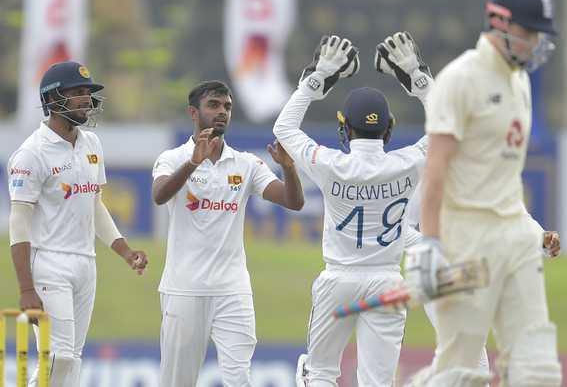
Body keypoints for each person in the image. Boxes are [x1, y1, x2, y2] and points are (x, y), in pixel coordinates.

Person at [404, 0, 562, 386]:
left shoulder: (521, 81)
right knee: (460, 370)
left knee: (537, 370)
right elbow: (436, 169)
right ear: (501, 22)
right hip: (467, 244)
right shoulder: (460, 80)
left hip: (514, 240)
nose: (537, 43)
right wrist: (429, 246)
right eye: (530, 32)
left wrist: (533, 232)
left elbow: (503, 179)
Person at [274, 34, 432, 386]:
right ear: (388, 129)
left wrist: (317, 78)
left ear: (345, 128)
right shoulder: (407, 164)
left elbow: (283, 128)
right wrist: (416, 75)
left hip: (338, 280)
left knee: (320, 373)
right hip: (388, 282)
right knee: (377, 381)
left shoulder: (330, 165)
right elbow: (450, 127)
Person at [151, 80, 304, 387]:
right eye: (214, 105)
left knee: (239, 379)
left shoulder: (246, 163)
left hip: (232, 289)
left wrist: (289, 168)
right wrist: (192, 163)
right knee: (177, 381)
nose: (222, 112)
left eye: (227, 107)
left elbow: (293, 201)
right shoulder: (172, 157)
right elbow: (159, 195)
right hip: (184, 288)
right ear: (193, 113)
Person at [7, 61, 148, 387]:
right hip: (48, 264)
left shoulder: (91, 145)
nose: (86, 99)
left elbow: (94, 205)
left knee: (73, 362)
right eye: (77, 93)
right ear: (53, 98)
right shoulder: (31, 153)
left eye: (88, 93)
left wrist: (124, 251)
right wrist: (26, 287)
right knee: (59, 357)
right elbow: (19, 221)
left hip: (86, 263)